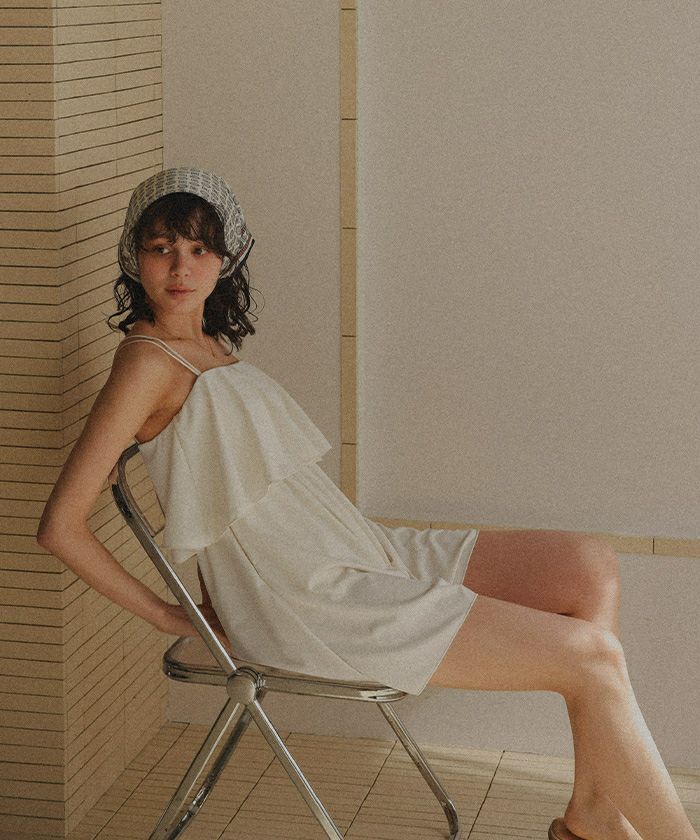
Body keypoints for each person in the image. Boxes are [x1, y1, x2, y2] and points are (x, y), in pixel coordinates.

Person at [37, 167, 697, 840]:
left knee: (589, 564)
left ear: (225, 257)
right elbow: (61, 526)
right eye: (161, 247)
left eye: (198, 248)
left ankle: (593, 812)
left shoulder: (210, 345)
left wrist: (215, 578)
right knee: (592, 657)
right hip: (311, 596)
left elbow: (218, 493)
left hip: (355, 548)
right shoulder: (145, 362)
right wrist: (170, 615)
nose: (181, 266)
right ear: (135, 257)